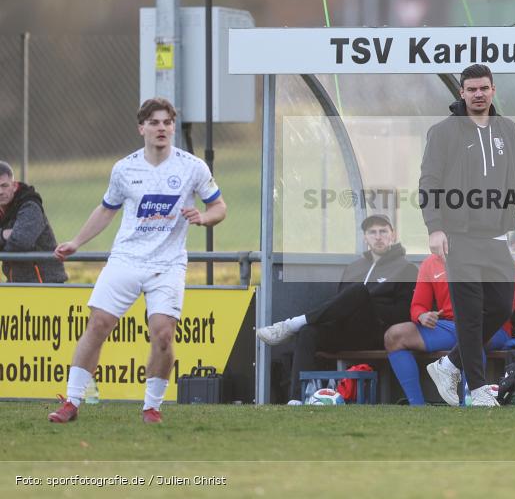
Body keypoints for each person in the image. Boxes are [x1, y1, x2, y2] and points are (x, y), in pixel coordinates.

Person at [49, 98, 226, 424]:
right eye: (155, 123)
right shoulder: (124, 168)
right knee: (98, 324)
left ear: (173, 127)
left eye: (167, 123)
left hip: (168, 264)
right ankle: (71, 402)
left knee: (162, 334)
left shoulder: (193, 167)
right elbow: (106, 209)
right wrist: (76, 241)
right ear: (141, 128)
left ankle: (151, 407)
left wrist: (204, 217)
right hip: (127, 259)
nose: (162, 128)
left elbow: (220, 208)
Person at [419, 63, 515, 407]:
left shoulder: (508, 129)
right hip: (459, 237)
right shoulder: (443, 132)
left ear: (493, 90)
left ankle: (449, 364)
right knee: (469, 314)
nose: (478, 94)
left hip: (497, 237)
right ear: (461, 92)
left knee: (500, 306)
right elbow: (429, 182)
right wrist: (435, 227)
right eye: (471, 89)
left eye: (483, 88)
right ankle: (476, 388)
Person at [255, 214, 418, 403]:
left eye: (383, 231)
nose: (378, 236)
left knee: (358, 291)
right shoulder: (354, 267)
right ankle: (296, 399)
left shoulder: (406, 269)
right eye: (372, 232)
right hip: (347, 331)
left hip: (378, 332)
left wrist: (369, 304)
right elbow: (337, 304)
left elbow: (404, 312)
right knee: (308, 333)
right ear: (365, 237)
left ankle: (293, 324)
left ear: (393, 235)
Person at [383, 256, 515, 405]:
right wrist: (422, 315)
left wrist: (496, 307)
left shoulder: (484, 251)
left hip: (490, 327)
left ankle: (471, 401)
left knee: (473, 335)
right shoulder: (430, 263)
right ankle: (416, 405)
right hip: (450, 326)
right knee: (394, 336)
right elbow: (418, 305)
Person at [0, 161, 67, 283]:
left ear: (14, 186)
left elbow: (21, 242)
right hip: (14, 283)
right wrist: (5, 235)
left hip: (45, 283)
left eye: (4, 186)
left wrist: (4, 240)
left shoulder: (30, 206)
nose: (0, 192)